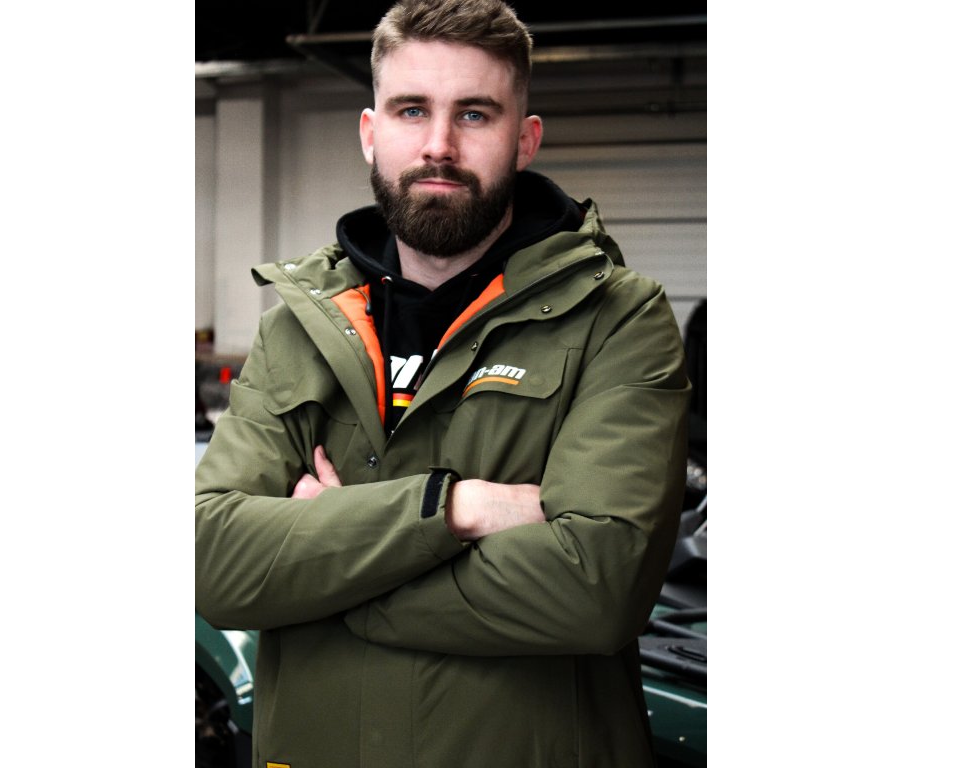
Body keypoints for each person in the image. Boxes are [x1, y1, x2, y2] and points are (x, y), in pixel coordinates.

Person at [195, 0, 690, 765]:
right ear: (371, 131)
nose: (438, 144)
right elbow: (210, 562)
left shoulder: (617, 319)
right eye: (411, 109)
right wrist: (456, 508)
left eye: (475, 114)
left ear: (525, 139)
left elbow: (598, 589)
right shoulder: (297, 328)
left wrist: (330, 566)